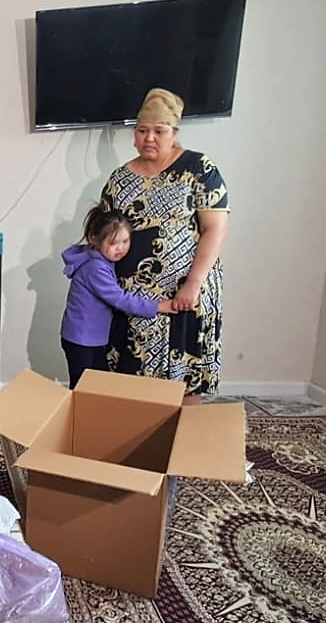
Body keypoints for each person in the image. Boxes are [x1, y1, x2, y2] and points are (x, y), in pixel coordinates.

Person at [101, 88, 230, 403]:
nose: (149, 138)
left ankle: (184, 435)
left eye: (159, 131)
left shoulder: (199, 168)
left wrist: (193, 284)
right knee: (130, 388)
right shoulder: (119, 179)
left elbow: (215, 228)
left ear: (174, 133)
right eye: (142, 130)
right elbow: (104, 234)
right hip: (134, 301)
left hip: (185, 296)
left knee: (185, 385)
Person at [60, 202, 176, 389]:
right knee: (82, 386)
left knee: (98, 383)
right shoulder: (95, 267)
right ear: (94, 239)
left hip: (91, 337)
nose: (120, 248)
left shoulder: (101, 260)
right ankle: (75, 408)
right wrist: (157, 306)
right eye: (113, 243)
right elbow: (119, 299)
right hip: (81, 339)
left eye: (125, 241)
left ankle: (92, 407)